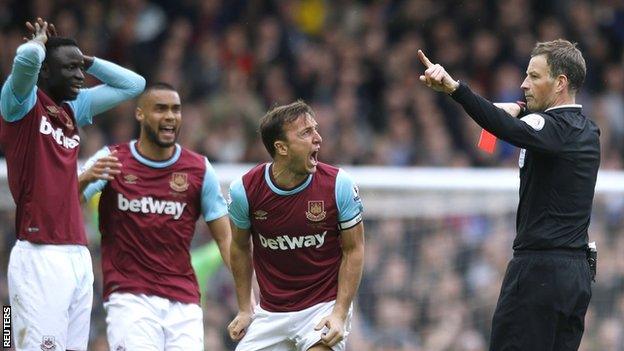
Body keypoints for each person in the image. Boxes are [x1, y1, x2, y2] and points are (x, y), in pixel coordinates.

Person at [418, 40, 600, 350]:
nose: (523, 83)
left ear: (560, 83)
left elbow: (507, 129)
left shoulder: (550, 128)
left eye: (534, 76)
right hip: (576, 276)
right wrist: (520, 107)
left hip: (539, 272)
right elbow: (512, 128)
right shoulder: (587, 130)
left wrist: (455, 89)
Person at [0, 18, 145, 350]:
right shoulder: (20, 104)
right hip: (38, 254)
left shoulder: (71, 109)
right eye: (70, 69)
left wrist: (86, 59)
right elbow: (24, 62)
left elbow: (133, 85)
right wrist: (38, 42)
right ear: (46, 72)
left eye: (81, 69)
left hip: (77, 254)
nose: (81, 76)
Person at [79, 82, 231, 350]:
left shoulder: (199, 169)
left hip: (184, 302)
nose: (170, 116)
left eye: (176, 109)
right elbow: (66, 202)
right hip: (129, 297)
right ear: (140, 114)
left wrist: (248, 296)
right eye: (161, 109)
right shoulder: (112, 159)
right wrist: (83, 180)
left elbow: (226, 240)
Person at [227, 100, 365, 351]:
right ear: (281, 147)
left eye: (315, 129)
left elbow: (354, 250)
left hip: (322, 307)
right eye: (306, 132)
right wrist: (245, 308)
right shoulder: (244, 191)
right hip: (270, 313)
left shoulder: (338, 185)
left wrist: (339, 313)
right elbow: (238, 246)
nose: (318, 138)